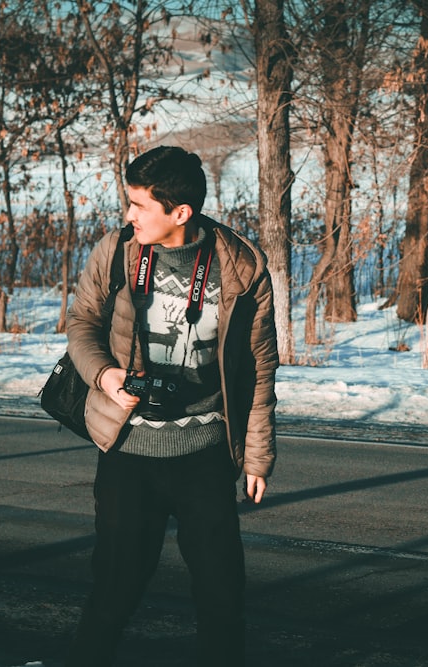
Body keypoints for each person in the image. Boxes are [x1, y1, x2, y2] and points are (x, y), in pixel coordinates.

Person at [64, 145, 279, 666]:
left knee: (222, 595)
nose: (129, 215)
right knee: (114, 589)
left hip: (204, 454)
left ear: (180, 213)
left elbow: (259, 366)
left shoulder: (241, 267)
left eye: (139, 205)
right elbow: (81, 325)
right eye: (129, 202)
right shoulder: (116, 252)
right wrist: (104, 373)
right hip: (127, 449)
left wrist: (256, 455)